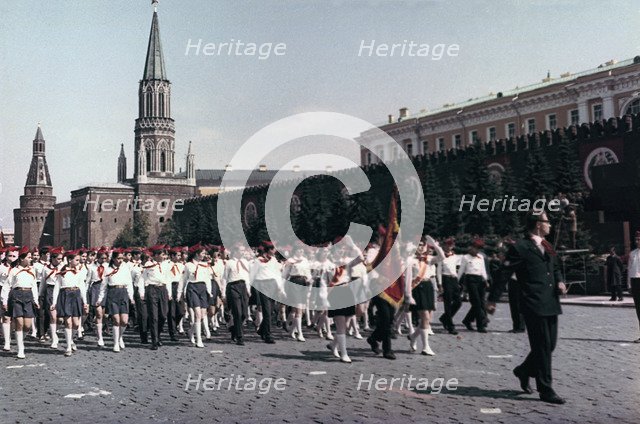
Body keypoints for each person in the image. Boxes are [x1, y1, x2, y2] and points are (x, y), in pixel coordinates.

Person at [505, 211, 567, 404]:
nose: (550, 225)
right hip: (533, 303)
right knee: (542, 347)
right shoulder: (521, 247)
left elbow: (555, 268)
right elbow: (504, 271)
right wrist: (491, 299)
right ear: (538, 224)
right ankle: (546, 389)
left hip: (550, 301)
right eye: (548, 222)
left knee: (549, 346)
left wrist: (560, 282)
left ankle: (523, 370)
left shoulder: (547, 246)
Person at [405, 236, 444, 356]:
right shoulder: (410, 260)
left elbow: (442, 257)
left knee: (427, 319)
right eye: (418, 245)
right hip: (418, 288)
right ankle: (426, 347)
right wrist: (408, 294)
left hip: (428, 287)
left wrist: (435, 245)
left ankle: (413, 336)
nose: (420, 247)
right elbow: (407, 279)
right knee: (425, 318)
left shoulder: (429, 259)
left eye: (422, 245)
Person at [1, 247, 39, 358]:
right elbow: (7, 286)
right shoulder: (14, 271)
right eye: (29, 257)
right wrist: (4, 300)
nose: (31, 259)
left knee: (27, 325)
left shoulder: (32, 270)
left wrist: (35, 300)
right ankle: (20, 348)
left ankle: (20, 339)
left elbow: (34, 287)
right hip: (16, 296)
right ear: (22, 259)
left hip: (28, 296)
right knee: (19, 323)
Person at [52, 251, 89, 357]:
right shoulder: (62, 272)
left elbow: (82, 287)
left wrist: (85, 302)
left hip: (76, 295)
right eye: (76, 260)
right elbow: (57, 287)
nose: (79, 262)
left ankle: (71, 339)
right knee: (68, 322)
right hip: (65, 295)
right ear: (69, 260)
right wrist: (54, 302)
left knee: (76, 324)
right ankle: (68, 347)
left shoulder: (80, 272)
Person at [249, 241, 285, 344]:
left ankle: (261, 330)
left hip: (273, 285)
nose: (275, 251)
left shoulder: (273, 260)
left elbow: (277, 275)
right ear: (268, 250)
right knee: (266, 311)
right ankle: (268, 335)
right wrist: (250, 288)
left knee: (271, 311)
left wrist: (280, 289)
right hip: (262, 285)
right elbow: (252, 275)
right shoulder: (258, 261)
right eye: (273, 249)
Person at [177, 245, 212, 348]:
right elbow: (183, 279)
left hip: (203, 288)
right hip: (192, 288)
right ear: (197, 254)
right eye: (202, 253)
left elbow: (207, 279)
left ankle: (190, 331)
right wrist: (179, 293)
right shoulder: (188, 265)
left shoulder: (205, 265)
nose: (204, 255)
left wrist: (209, 291)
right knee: (197, 314)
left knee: (201, 315)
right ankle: (199, 340)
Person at [100, 250, 135, 352]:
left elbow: (129, 283)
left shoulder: (125, 268)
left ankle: (120, 337)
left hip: (123, 293)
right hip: (113, 293)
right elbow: (103, 286)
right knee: (116, 320)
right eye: (118, 258)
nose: (120, 260)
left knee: (124, 321)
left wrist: (131, 297)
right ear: (113, 259)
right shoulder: (108, 269)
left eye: (122, 258)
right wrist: (100, 298)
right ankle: (115, 343)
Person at [140, 246, 172, 350]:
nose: (165, 257)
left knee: (163, 315)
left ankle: (158, 334)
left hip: (162, 289)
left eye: (165, 255)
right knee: (154, 316)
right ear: (157, 255)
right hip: (152, 289)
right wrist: (142, 292)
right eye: (163, 255)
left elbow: (168, 279)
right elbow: (143, 279)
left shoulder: (167, 265)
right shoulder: (149, 265)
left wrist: (169, 293)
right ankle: (154, 341)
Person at [458, 239, 489, 333]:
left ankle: (467, 320)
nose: (478, 250)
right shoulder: (466, 257)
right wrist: (457, 281)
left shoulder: (481, 257)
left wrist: (486, 279)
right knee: (476, 302)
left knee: (481, 303)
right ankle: (481, 325)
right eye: (476, 248)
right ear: (472, 247)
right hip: (470, 280)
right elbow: (461, 270)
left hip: (480, 280)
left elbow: (483, 269)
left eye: (479, 249)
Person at [221, 244, 250, 345]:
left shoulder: (245, 262)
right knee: (237, 312)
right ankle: (239, 337)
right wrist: (223, 293)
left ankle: (234, 330)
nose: (242, 252)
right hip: (232, 286)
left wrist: (248, 289)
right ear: (236, 251)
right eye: (241, 250)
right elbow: (224, 278)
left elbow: (247, 277)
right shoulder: (229, 263)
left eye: (243, 251)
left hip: (243, 286)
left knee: (244, 314)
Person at [39, 247, 64, 348]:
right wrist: (40, 295)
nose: (60, 261)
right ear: (53, 258)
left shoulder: (64, 268)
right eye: (58, 259)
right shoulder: (45, 268)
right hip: (50, 291)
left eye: (61, 259)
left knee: (60, 319)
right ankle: (54, 339)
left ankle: (54, 331)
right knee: (52, 316)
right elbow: (43, 283)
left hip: (61, 292)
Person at [438, 238, 462, 334]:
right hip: (445, 279)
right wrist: (440, 284)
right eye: (447, 245)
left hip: (454, 280)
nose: (449, 247)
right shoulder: (441, 256)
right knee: (447, 303)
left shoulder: (455, 256)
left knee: (458, 302)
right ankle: (450, 326)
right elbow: (439, 271)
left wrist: (459, 281)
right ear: (444, 246)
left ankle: (444, 318)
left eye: (451, 245)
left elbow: (458, 269)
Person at [627, 231, 640, 343]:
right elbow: (629, 270)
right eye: (636, 239)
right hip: (635, 282)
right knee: (639, 310)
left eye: (639, 239)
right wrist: (629, 285)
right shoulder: (632, 254)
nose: (637, 241)